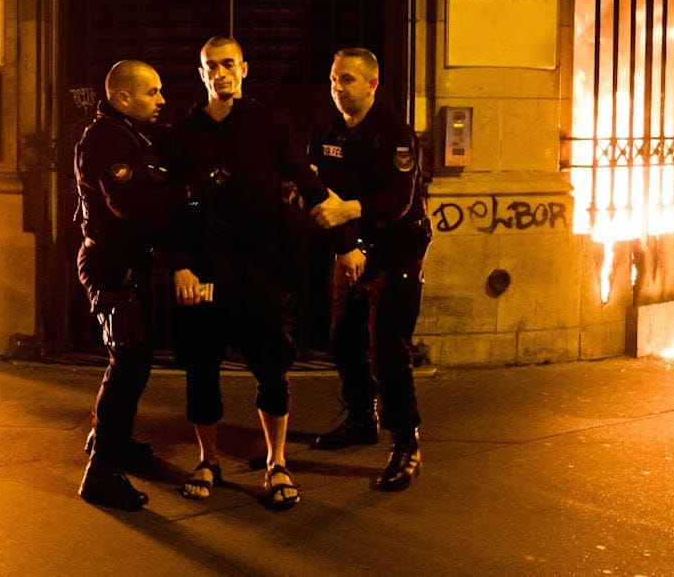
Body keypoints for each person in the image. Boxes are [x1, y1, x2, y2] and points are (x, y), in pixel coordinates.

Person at [171, 35, 355, 510]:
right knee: (201, 370)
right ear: (201, 73)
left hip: (263, 271)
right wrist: (181, 264)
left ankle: (276, 463)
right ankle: (207, 460)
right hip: (207, 273)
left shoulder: (270, 125)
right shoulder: (185, 132)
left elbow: (308, 181)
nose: (220, 73)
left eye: (228, 64)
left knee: (273, 371)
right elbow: (176, 205)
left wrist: (345, 244)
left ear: (244, 69)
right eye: (211, 66)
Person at [308, 47, 432, 491]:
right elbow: (315, 183)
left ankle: (406, 443)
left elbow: (397, 202)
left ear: (372, 85)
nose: (338, 88)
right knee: (342, 338)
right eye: (334, 79)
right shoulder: (330, 131)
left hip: (398, 250)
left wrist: (348, 211)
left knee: (387, 347)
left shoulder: (394, 135)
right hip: (352, 249)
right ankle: (362, 418)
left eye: (348, 80)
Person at [73, 59, 188, 511]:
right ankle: (101, 472)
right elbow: (132, 204)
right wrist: (186, 197)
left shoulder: (127, 135)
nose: (161, 100)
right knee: (129, 364)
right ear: (123, 97)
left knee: (132, 362)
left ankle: (110, 441)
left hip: (123, 266)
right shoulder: (106, 139)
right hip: (110, 267)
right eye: (151, 92)